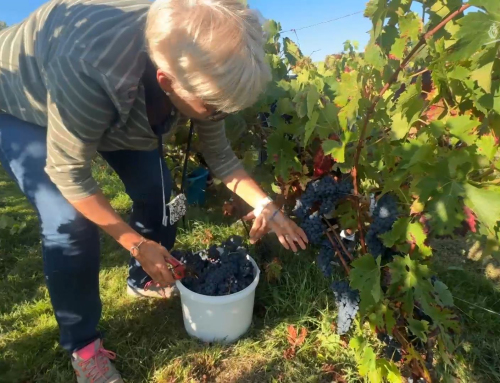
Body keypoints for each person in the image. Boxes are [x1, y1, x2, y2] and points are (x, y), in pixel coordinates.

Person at [0, 0, 308, 381]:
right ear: (166, 82)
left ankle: (142, 277)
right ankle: (84, 348)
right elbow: (70, 174)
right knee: (69, 223)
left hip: (112, 94)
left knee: (155, 187)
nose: (218, 116)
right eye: (214, 110)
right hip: (21, 98)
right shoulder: (90, 63)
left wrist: (267, 205)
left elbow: (221, 156)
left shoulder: (195, 62)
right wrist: (134, 242)